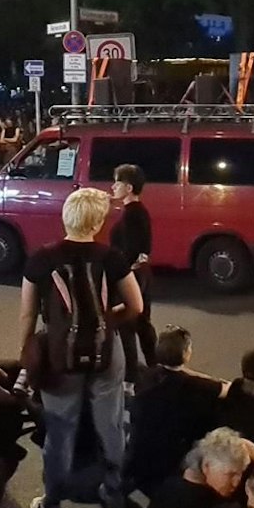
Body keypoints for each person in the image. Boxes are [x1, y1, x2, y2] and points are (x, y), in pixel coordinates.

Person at [20, 187, 143, 508]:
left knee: (60, 431)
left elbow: (27, 315)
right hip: (106, 351)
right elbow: (136, 306)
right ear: (99, 221)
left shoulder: (40, 260)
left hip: (60, 355)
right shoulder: (112, 257)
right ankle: (114, 492)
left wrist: (28, 350)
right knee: (112, 423)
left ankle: (52, 505)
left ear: (66, 217)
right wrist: (107, 320)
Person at [124, 326, 230, 490]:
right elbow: (227, 390)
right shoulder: (194, 386)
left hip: (140, 449)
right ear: (185, 354)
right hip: (170, 454)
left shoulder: (145, 375)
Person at [108, 163, 157, 380]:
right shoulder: (139, 211)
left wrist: (116, 273)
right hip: (141, 274)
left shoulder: (131, 215)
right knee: (142, 322)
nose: (112, 187)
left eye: (117, 183)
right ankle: (156, 366)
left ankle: (131, 375)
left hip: (130, 277)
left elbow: (129, 250)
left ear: (128, 188)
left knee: (127, 324)